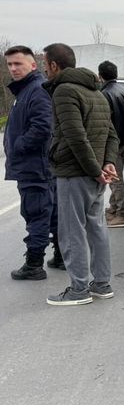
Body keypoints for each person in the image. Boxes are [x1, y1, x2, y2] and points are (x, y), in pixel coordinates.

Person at [42, 43, 119, 306]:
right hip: (93, 174)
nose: (44, 70)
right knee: (97, 229)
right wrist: (107, 163)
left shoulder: (64, 90)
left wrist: (96, 170)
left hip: (75, 173)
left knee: (71, 232)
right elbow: (112, 135)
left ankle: (78, 290)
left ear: (54, 65)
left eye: (45, 65)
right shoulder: (97, 92)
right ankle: (102, 284)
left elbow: (75, 136)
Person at [4, 46, 59, 280]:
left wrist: (19, 146)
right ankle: (62, 256)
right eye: (9, 64)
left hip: (34, 167)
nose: (13, 68)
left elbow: (43, 128)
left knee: (36, 214)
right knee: (52, 213)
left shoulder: (36, 90)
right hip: (36, 166)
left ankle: (34, 264)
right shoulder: (26, 90)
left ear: (33, 65)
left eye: (18, 63)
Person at [98, 61, 124, 228]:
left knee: (115, 179)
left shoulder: (104, 94)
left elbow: (104, 122)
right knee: (116, 177)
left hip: (113, 143)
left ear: (100, 76)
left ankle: (122, 213)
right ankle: (114, 208)